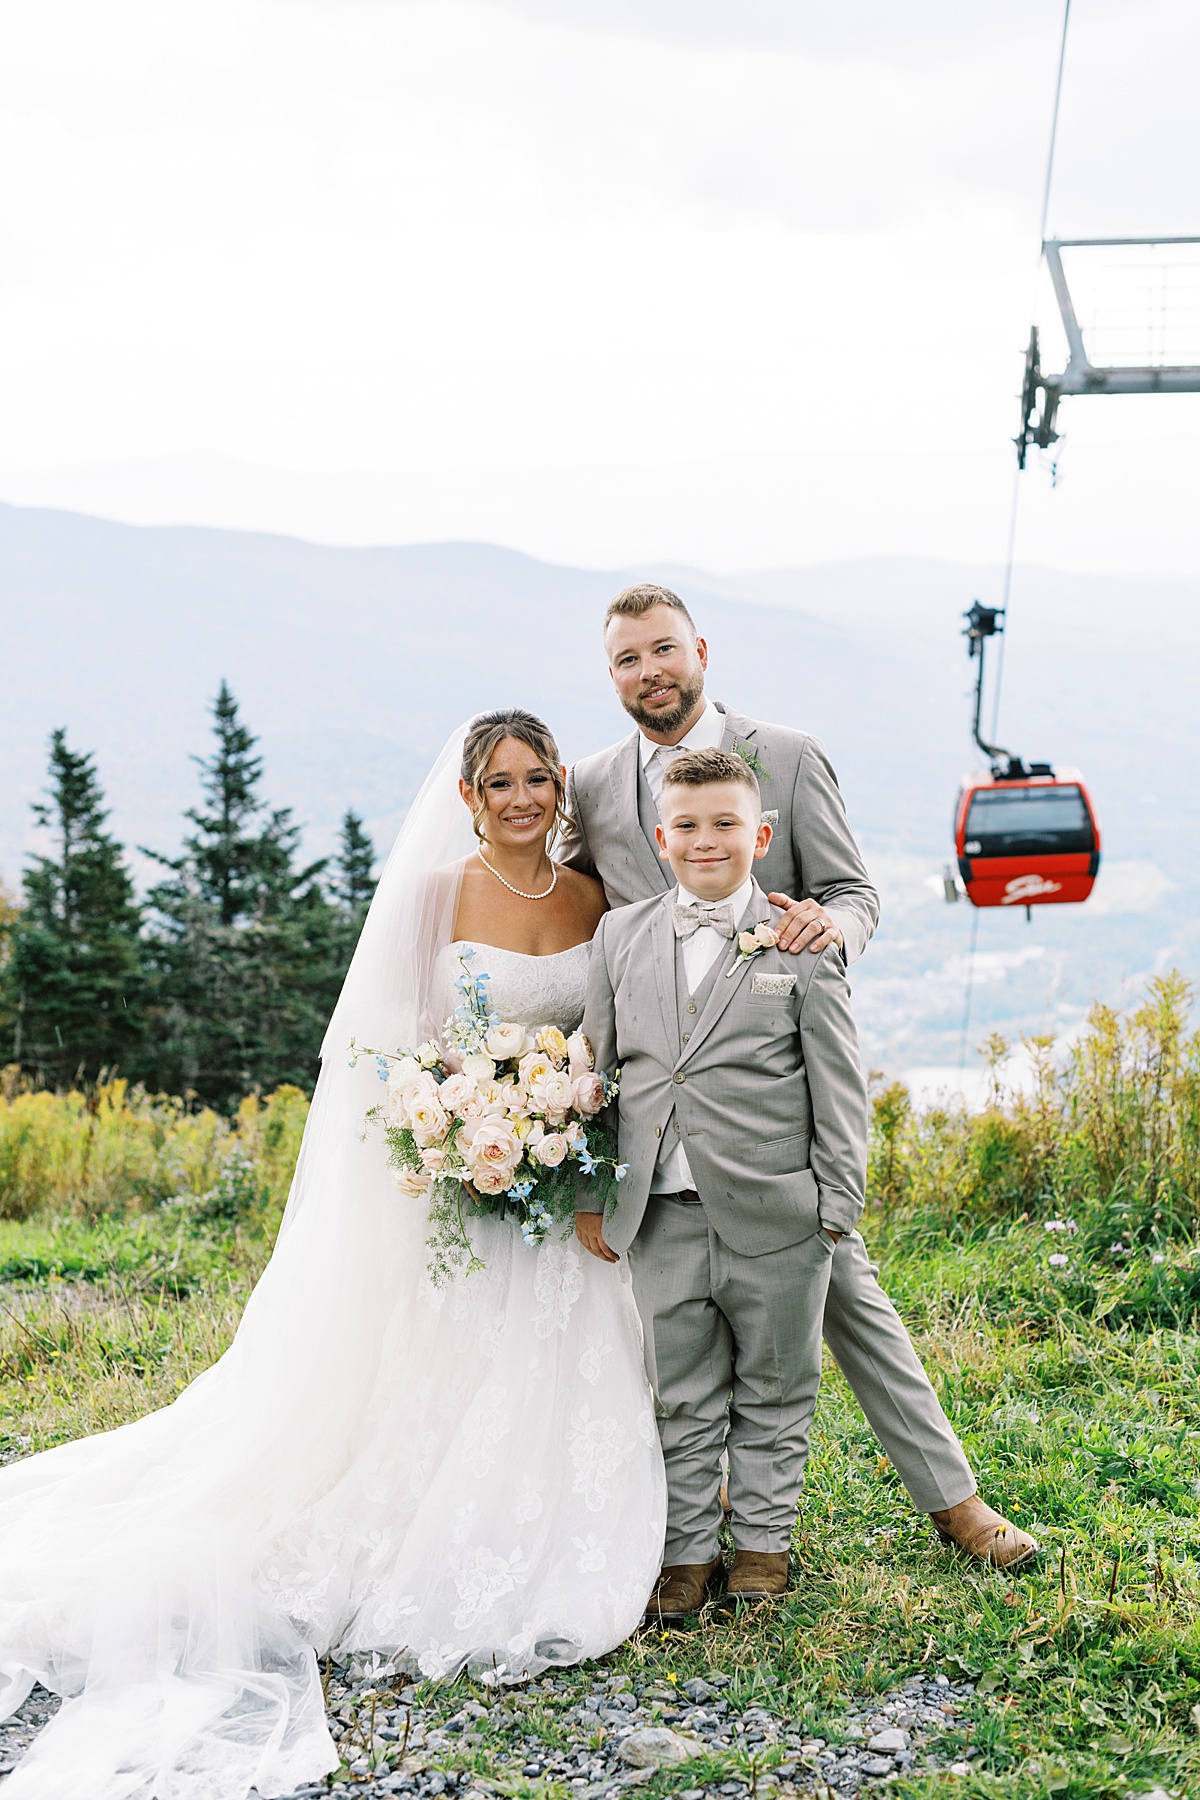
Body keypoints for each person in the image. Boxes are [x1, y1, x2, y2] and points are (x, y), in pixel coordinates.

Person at [0, 710, 665, 1800]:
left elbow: (611, 1044)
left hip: (561, 1189)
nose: (520, 798)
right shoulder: (431, 899)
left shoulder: (594, 898)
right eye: (498, 782)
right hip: (459, 1188)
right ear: (468, 797)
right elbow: (379, 1054)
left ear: (559, 789)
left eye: (537, 778)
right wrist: (447, 1124)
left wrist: (566, 1131)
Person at [565, 582, 1036, 1578]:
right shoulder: (598, 784)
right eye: (625, 660)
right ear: (609, 676)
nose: (648, 672)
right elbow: (580, 905)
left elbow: (853, 889)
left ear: (700, 649)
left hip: (770, 1099)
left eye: (663, 651)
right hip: (663, 1130)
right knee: (685, 1351)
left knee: (850, 1298)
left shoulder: (785, 753)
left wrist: (830, 930)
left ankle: (958, 1505)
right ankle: (691, 1525)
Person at [577, 747, 869, 1617]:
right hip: (659, 1213)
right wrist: (596, 1192)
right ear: (662, 838)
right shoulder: (618, 936)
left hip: (779, 1211)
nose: (707, 842)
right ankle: (686, 1554)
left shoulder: (800, 941)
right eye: (689, 828)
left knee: (778, 1384)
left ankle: (763, 1548)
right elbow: (599, 1070)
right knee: (681, 1389)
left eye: (726, 826)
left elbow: (838, 1087)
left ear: (762, 834)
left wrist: (833, 1210)